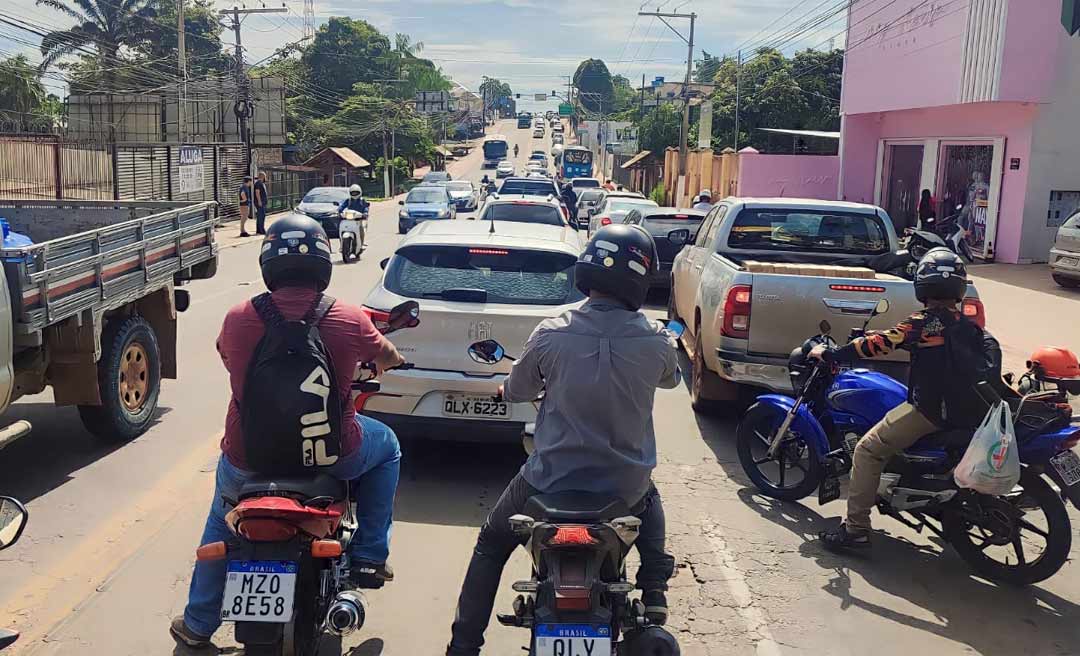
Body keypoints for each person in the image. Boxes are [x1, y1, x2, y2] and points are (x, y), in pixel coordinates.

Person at [169, 214, 406, 649]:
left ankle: (199, 622)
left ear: (267, 266)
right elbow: (387, 355)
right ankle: (370, 554)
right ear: (322, 264)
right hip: (332, 452)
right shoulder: (349, 317)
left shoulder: (239, 317)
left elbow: (226, 357)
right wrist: (388, 360)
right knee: (387, 446)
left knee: (221, 524)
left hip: (248, 456)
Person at [445, 224, 680, 656]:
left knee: (491, 544)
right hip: (623, 488)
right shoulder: (657, 341)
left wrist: (510, 389)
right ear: (642, 278)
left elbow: (516, 390)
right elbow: (670, 378)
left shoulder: (550, 332)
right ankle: (654, 592)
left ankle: (463, 647)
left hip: (547, 482)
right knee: (650, 498)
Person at [811, 248, 988, 552]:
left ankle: (855, 530)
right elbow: (896, 337)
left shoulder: (923, 323)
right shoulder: (967, 324)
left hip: (930, 410)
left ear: (923, 287)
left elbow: (879, 345)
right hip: (966, 408)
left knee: (867, 451)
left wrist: (832, 353)